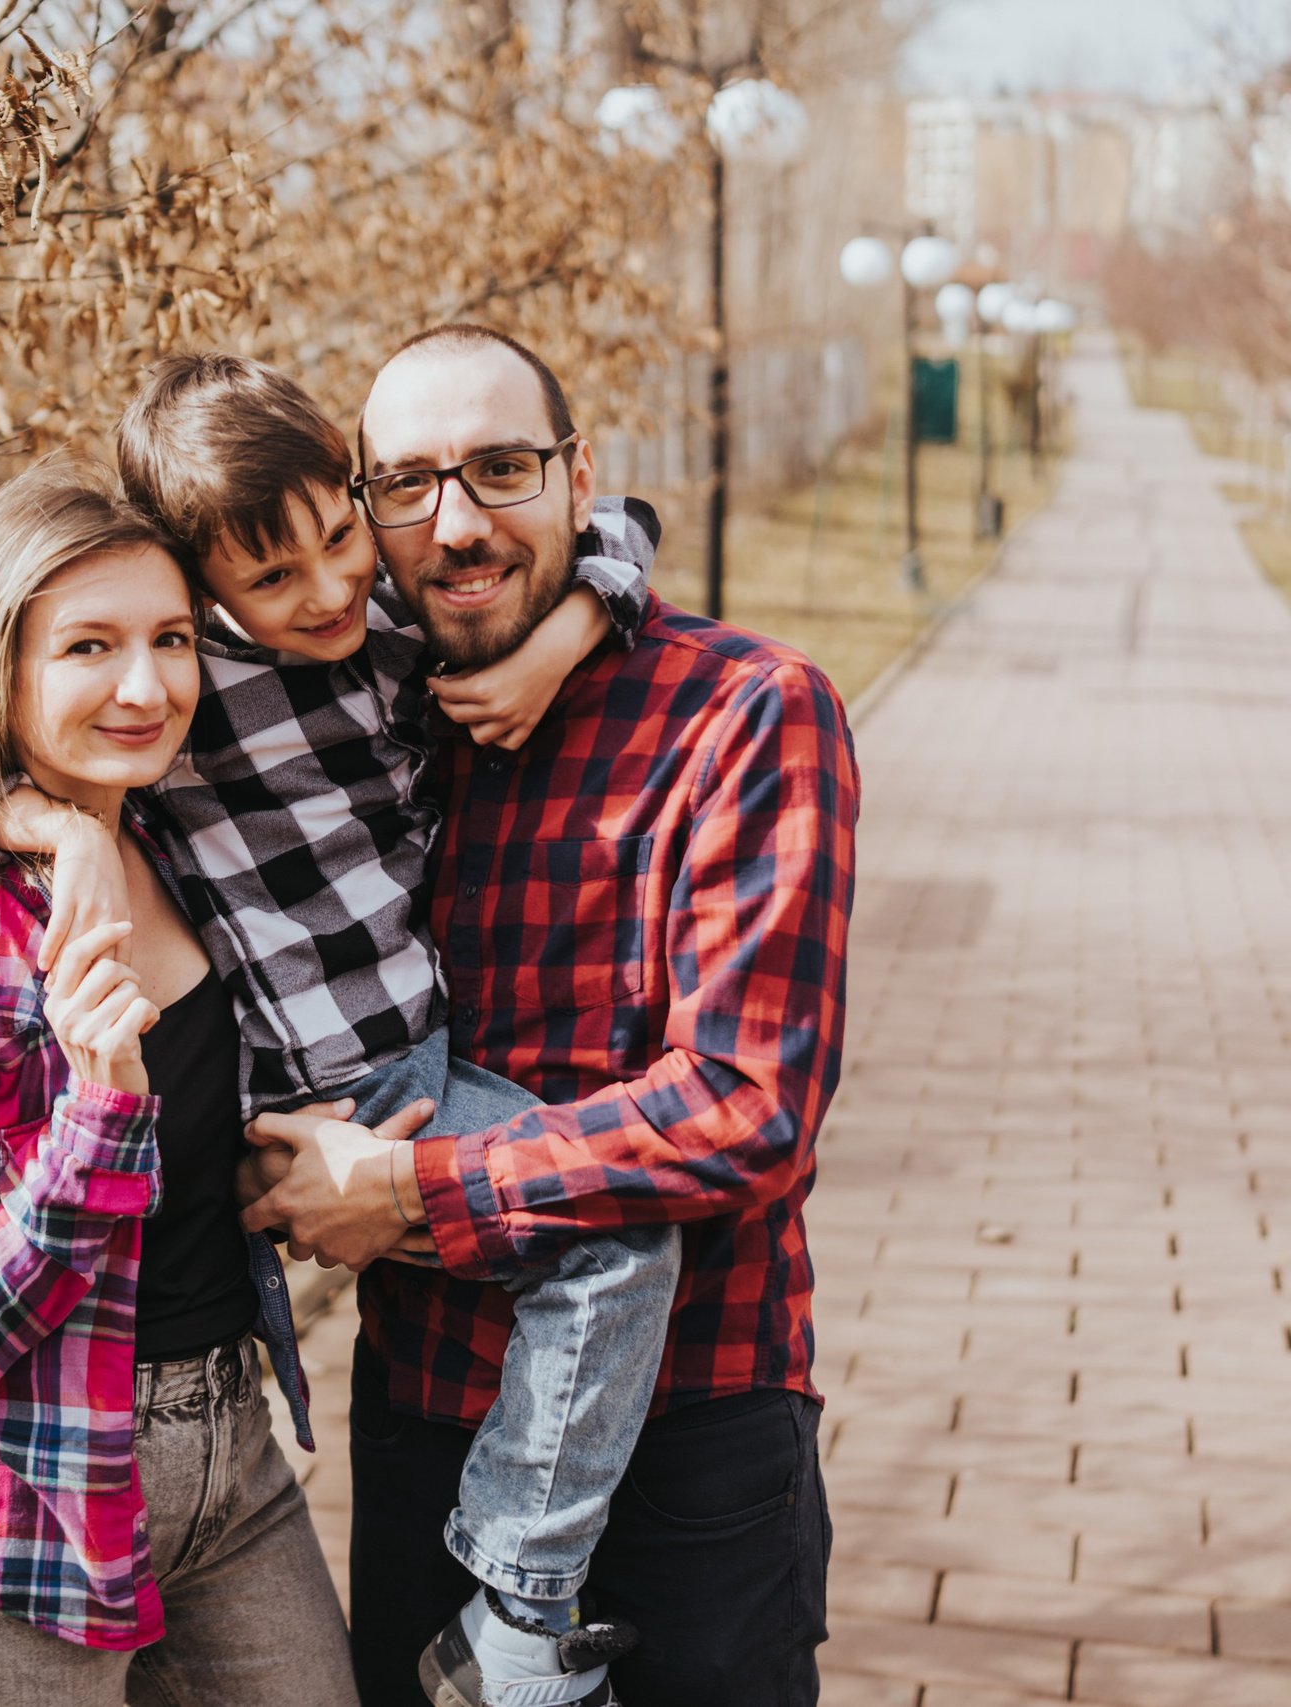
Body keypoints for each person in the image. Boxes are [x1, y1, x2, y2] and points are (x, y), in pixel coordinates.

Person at [4, 353, 680, 1707]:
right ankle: (519, 1604)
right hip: (340, 1073)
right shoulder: (182, 694)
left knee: (592, 1233)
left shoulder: (379, 623)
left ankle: (510, 1584)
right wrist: (48, 828)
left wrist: (561, 636)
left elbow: (623, 531)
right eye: (273, 580)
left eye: (338, 538)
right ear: (199, 587)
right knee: (614, 1232)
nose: (325, 591)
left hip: (416, 1048)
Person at [241, 325, 860, 1707]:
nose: (455, 524)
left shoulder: (748, 713)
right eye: (405, 483)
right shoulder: (363, 705)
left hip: (693, 1424)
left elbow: (747, 1108)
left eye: (501, 470)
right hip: (428, 1417)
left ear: (578, 476)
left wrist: (412, 1186)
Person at [0, 458, 361, 1705]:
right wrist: (99, 1114)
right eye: (88, 646)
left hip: (232, 1460)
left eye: (168, 639)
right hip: (8, 1515)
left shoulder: (164, 836)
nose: (146, 686)